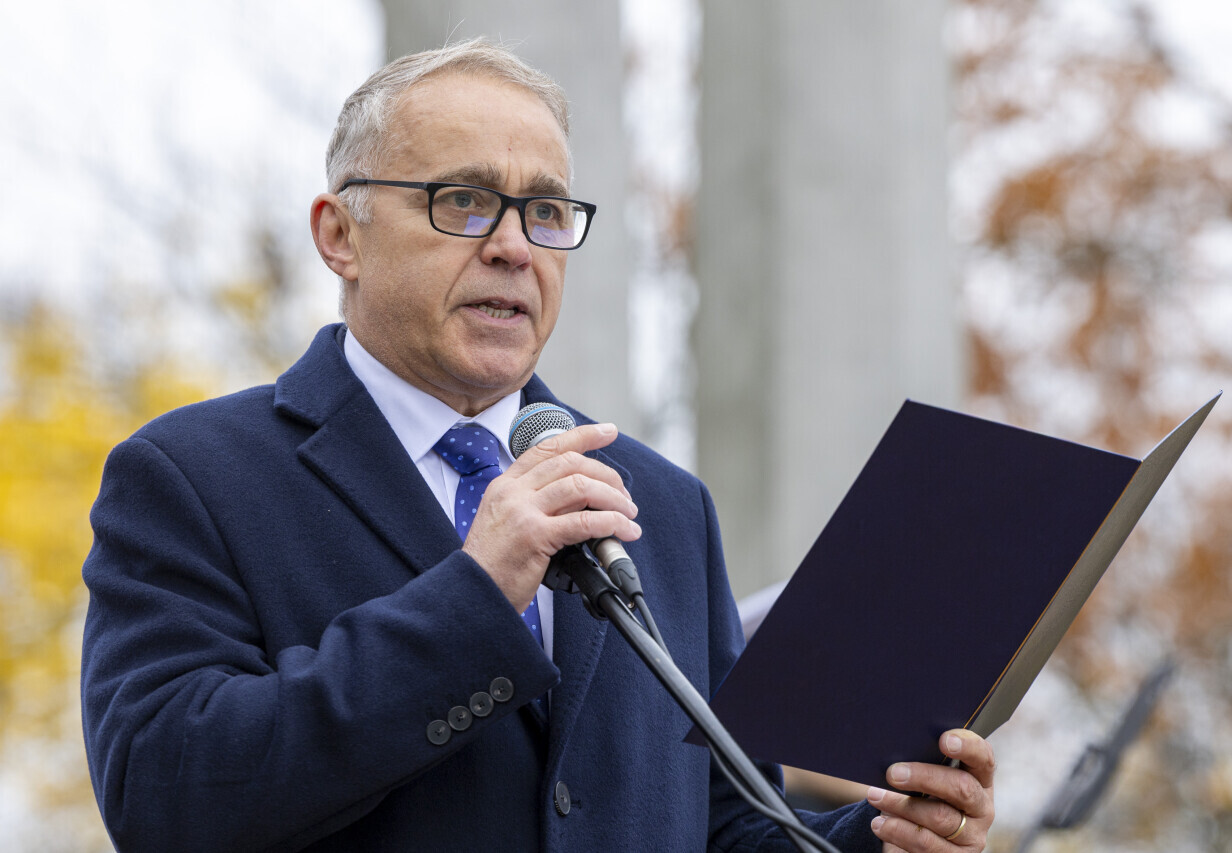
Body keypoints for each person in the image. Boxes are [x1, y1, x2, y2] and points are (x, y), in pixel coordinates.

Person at [80, 39, 995, 852]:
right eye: (465, 201)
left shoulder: (663, 505)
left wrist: (882, 839)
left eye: (546, 212)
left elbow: (726, 826)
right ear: (340, 235)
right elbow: (163, 796)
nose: (515, 247)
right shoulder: (191, 476)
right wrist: (478, 591)